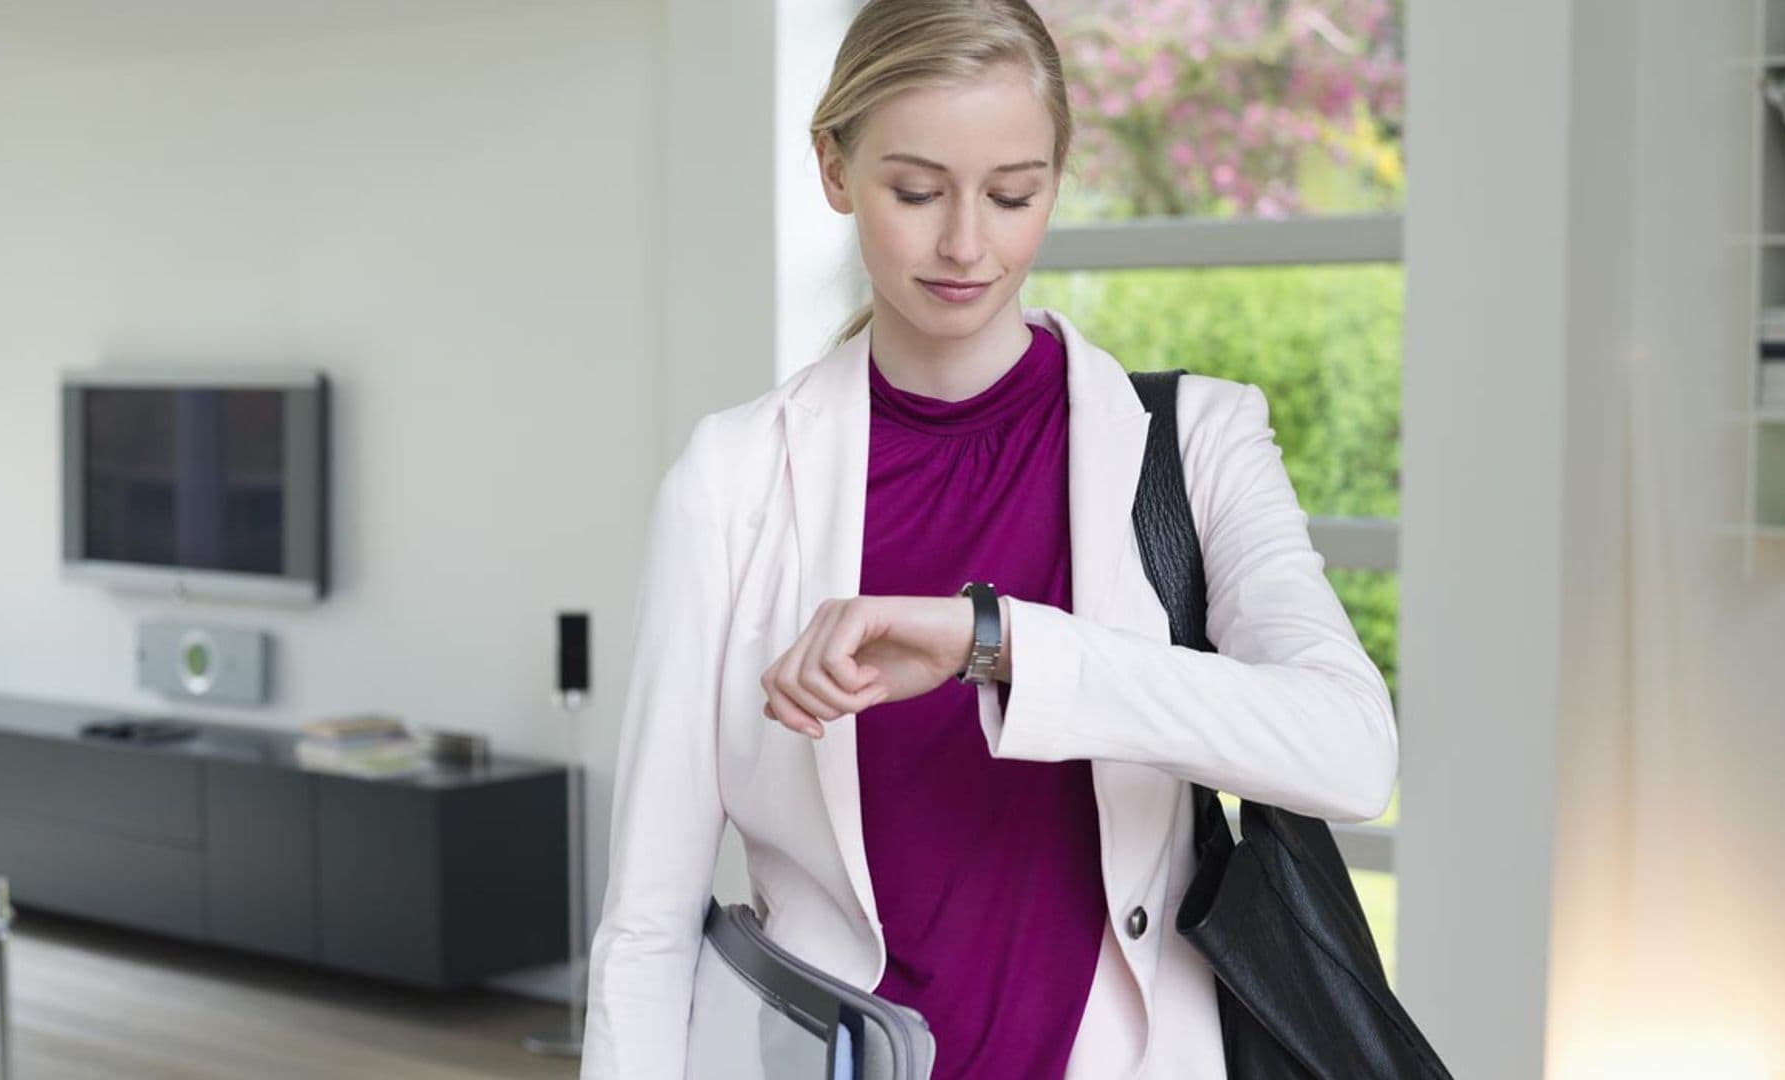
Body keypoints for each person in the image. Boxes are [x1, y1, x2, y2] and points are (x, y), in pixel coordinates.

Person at [580, 1, 1398, 1076]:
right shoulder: (731, 482)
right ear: (834, 169)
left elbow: (1349, 753)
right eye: (915, 191)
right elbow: (648, 922)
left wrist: (1004, 644)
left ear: (1057, 178)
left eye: (1013, 194)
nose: (966, 243)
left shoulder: (1194, 443)